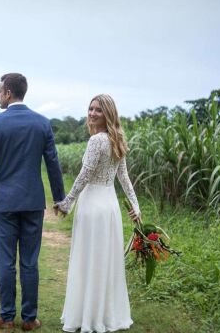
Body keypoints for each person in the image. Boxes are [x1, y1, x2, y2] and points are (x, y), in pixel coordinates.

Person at [0, 73, 66, 331]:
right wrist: (59, 198)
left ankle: (6, 317)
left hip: (4, 202)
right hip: (33, 202)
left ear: (7, 93)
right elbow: (53, 166)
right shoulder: (43, 124)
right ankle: (29, 319)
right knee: (29, 262)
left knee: (6, 261)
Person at [54, 93, 141, 333]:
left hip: (93, 204)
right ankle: (105, 315)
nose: (92, 113)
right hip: (110, 205)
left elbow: (85, 175)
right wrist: (135, 204)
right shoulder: (117, 138)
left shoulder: (97, 141)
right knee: (104, 261)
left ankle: (88, 317)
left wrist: (68, 201)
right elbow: (123, 177)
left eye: (98, 110)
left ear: (108, 113)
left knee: (89, 259)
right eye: (91, 108)